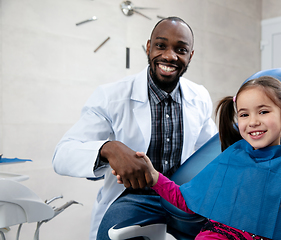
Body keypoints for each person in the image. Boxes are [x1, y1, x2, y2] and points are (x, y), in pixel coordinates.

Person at [52, 16, 217, 240]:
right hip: (131, 197)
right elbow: (62, 154)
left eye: (180, 49)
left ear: (190, 55)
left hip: (180, 197)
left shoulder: (199, 96)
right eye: (161, 45)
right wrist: (109, 149)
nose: (170, 56)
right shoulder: (111, 96)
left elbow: (210, 151)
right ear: (148, 47)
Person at [130, 76, 281, 240]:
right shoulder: (232, 158)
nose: (253, 121)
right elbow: (188, 201)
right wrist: (154, 176)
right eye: (244, 114)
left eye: (263, 112)